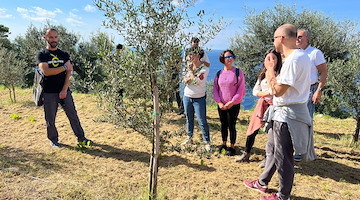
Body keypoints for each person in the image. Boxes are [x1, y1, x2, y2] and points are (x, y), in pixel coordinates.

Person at [243, 24, 315, 200]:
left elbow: (278, 91)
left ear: (281, 38)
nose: (274, 42)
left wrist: (269, 70)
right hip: (287, 112)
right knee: (277, 151)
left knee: (284, 157)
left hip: (287, 115)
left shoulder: (294, 60)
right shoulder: (301, 56)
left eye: (274, 38)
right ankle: (263, 182)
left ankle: (283, 195)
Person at [36, 28, 92, 148]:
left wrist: (64, 89)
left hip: (65, 91)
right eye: (51, 37)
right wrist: (64, 67)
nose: (54, 40)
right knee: (50, 119)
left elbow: (69, 73)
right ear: (45, 38)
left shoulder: (64, 54)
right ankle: (53, 140)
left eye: (55, 37)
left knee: (73, 115)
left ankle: (81, 138)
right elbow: (46, 71)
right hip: (49, 92)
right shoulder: (42, 55)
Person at [235, 49, 282, 162]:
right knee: (253, 129)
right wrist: (266, 93)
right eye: (268, 58)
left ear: (278, 60)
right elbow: (255, 91)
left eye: (273, 58)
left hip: (274, 106)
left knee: (271, 133)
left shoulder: (280, 75)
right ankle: (246, 153)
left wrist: (268, 93)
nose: (270, 61)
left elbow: (275, 90)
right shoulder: (262, 75)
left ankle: (268, 158)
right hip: (262, 105)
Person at [295, 29, 327, 161]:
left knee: (306, 120)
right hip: (296, 90)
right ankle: (298, 149)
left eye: (300, 36)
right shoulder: (295, 53)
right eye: (296, 36)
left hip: (310, 89)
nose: (297, 39)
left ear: (307, 38)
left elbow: (324, 72)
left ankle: (304, 152)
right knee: (295, 120)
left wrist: (319, 90)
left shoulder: (315, 53)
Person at [213, 50, 246, 156]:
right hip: (221, 105)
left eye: (231, 56)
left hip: (233, 105)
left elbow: (241, 89)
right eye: (227, 57)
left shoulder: (238, 72)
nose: (230, 58)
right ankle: (223, 143)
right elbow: (215, 89)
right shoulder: (219, 73)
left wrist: (232, 102)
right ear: (223, 59)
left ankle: (231, 146)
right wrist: (219, 102)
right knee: (223, 125)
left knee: (231, 125)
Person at [181, 46, 211, 151]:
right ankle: (189, 137)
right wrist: (191, 76)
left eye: (191, 55)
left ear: (198, 56)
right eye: (189, 55)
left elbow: (196, 82)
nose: (189, 57)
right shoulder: (187, 68)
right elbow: (184, 80)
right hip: (187, 96)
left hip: (199, 98)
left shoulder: (204, 69)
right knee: (189, 119)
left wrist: (190, 74)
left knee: (202, 120)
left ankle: (207, 141)